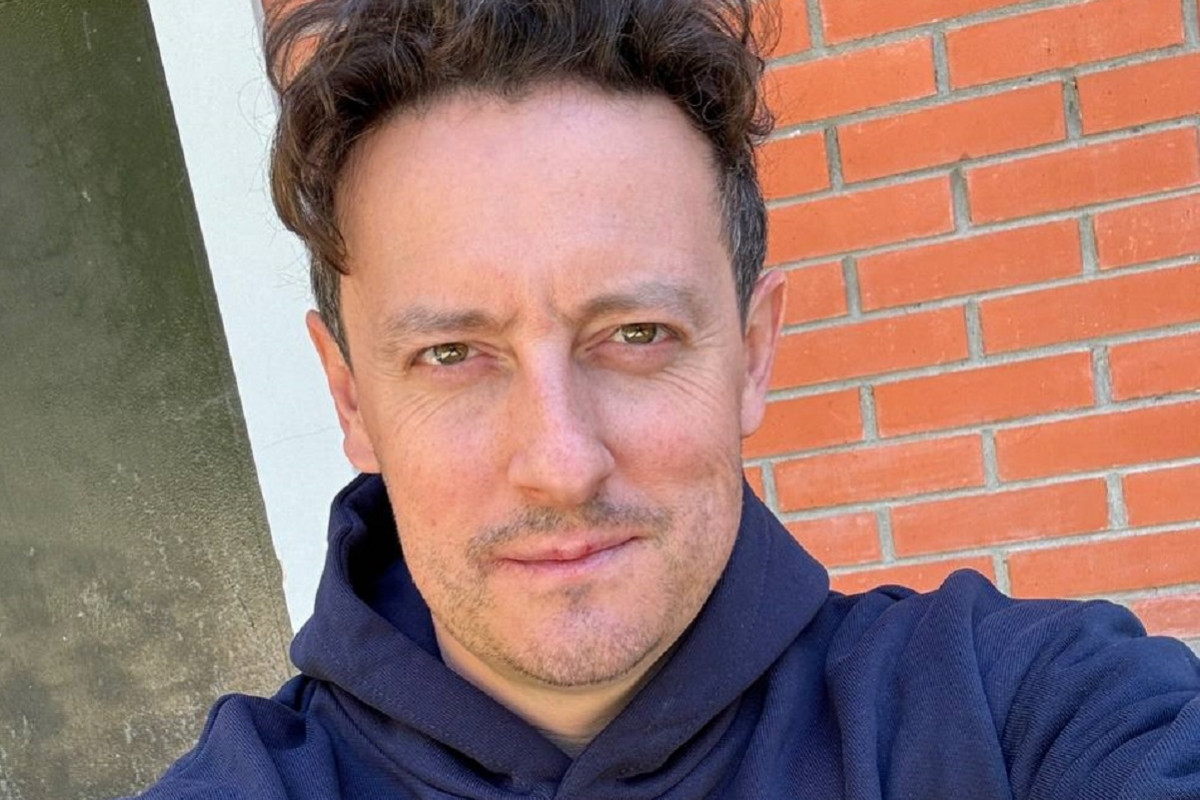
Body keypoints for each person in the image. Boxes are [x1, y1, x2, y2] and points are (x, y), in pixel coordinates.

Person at [128, 0, 1200, 797]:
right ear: (351, 399)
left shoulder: (1017, 716)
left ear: (754, 354)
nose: (561, 461)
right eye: (453, 353)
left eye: (636, 335)